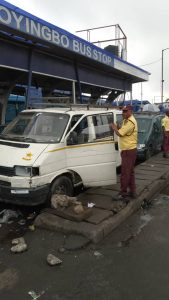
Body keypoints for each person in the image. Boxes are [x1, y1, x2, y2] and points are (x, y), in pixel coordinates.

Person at [111, 105, 138, 201]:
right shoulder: (126, 121)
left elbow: (120, 133)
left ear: (130, 111)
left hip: (128, 150)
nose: (124, 113)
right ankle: (133, 191)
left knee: (125, 173)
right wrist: (118, 127)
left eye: (126, 111)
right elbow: (123, 130)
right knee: (130, 172)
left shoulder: (130, 122)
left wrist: (114, 128)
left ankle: (123, 193)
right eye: (123, 111)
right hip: (129, 149)